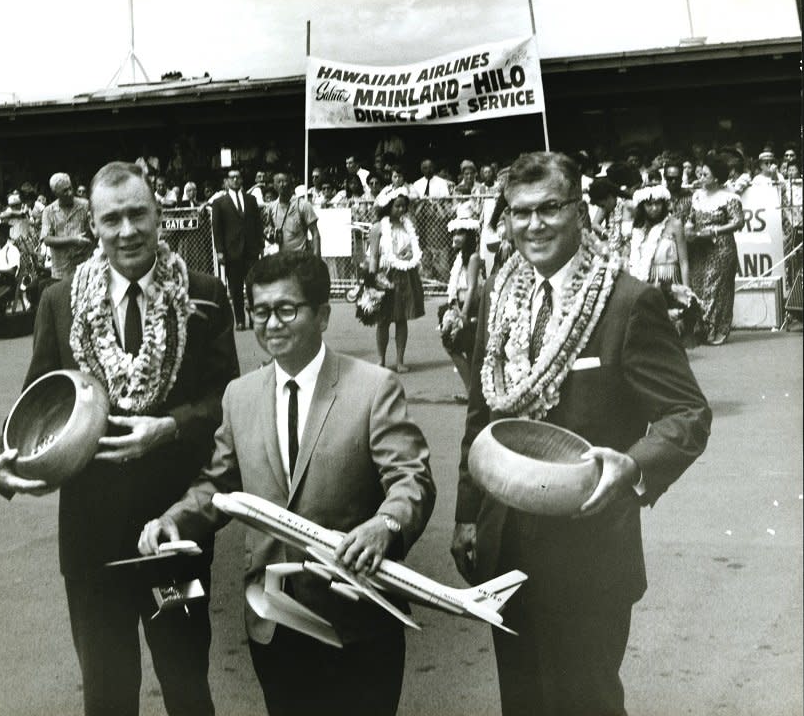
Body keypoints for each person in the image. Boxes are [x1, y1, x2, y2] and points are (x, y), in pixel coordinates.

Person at [451, 151, 711, 716]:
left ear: (580, 212)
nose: (534, 224)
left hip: (589, 549)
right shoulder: (501, 291)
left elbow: (687, 414)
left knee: (584, 702)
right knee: (521, 701)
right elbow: (482, 410)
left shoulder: (626, 299)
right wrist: (467, 515)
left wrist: (634, 466)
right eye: (520, 213)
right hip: (505, 543)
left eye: (550, 208)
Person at [0, 162, 239, 716]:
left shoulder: (204, 294)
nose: (127, 230)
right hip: (91, 547)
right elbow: (37, 398)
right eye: (112, 218)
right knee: (106, 694)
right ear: (93, 226)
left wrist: (169, 428)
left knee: (186, 683)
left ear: (158, 216)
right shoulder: (60, 300)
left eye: (138, 214)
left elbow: (229, 400)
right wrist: (1, 466)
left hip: (174, 538)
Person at [138, 250, 435, 716]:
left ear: (322, 315)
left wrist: (386, 525)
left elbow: (411, 478)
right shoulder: (240, 396)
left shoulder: (372, 387)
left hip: (356, 620)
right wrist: (174, 519)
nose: (271, 323)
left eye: (286, 309)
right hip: (273, 619)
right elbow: (219, 482)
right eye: (260, 311)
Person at [685, 154, 744, 345]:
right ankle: (702, 328)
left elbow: (738, 221)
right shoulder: (697, 196)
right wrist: (688, 228)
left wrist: (714, 230)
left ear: (716, 178)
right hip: (699, 247)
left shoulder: (729, 197)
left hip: (721, 248)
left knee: (715, 288)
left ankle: (716, 329)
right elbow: (691, 219)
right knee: (699, 286)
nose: (700, 178)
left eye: (705, 175)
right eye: (700, 174)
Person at [366, 190, 424, 372]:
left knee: (401, 318)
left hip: (405, 274)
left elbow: (414, 249)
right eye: (397, 206)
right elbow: (373, 255)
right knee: (383, 319)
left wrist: (410, 255)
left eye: (403, 206)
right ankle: (381, 359)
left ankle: (400, 360)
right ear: (388, 207)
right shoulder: (378, 228)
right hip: (385, 273)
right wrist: (371, 280)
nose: (401, 210)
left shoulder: (407, 226)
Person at [212, 167, 265, 330]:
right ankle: (240, 319)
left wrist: (260, 245)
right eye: (232, 178)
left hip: (250, 250)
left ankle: (254, 315)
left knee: (252, 285)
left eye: (238, 177)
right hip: (231, 251)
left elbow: (257, 224)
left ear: (242, 180)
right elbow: (217, 229)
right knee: (235, 288)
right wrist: (220, 250)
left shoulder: (251, 200)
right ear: (227, 182)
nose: (235, 180)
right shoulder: (219, 202)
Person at [441, 215, 484, 397]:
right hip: (458, 305)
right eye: (455, 234)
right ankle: (472, 391)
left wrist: (464, 314)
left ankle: (473, 392)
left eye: (461, 233)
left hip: (470, 307)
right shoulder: (460, 257)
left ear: (469, 236)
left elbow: (472, 286)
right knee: (458, 346)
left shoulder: (473, 257)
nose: (456, 237)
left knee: (462, 347)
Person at [628, 184, 689, 287]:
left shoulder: (675, 224)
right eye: (649, 204)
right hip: (646, 284)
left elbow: (684, 262)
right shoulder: (638, 229)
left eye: (658, 203)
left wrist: (687, 292)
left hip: (670, 282)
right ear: (642, 206)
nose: (654, 208)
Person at [41, 172, 93, 281]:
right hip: (61, 271)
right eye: (64, 191)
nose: (70, 193)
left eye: (70, 188)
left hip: (84, 268)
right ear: (56, 193)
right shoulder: (49, 211)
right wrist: (73, 240)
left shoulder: (85, 205)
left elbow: (94, 231)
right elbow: (46, 239)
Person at [267, 173, 321, 256]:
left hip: (301, 259)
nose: (282, 185)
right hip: (282, 259)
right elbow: (271, 234)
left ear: (291, 185)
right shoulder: (272, 207)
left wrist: (317, 258)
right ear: (274, 186)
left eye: (285, 181)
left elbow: (315, 233)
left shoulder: (303, 205)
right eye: (279, 182)